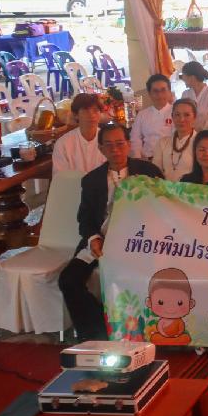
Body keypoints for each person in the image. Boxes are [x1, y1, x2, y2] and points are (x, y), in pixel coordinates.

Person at [59, 122, 163, 341]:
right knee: (68, 279)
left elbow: (165, 208)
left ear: (129, 144)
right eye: (109, 145)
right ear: (101, 149)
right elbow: (85, 218)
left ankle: (144, 330)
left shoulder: (149, 172)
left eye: (120, 144)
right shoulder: (91, 180)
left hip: (139, 243)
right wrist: (94, 238)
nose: (115, 150)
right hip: (103, 241)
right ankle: (96, 333)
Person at [53, 93, 107, 174]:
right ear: (76, 115)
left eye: (95, 110)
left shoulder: (107, 140)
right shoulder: (63, 144)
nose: (91, 115)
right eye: (86, 111)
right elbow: (59, 177)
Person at [152, 98, 198, 181]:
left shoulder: (200, 144)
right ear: (172, 117)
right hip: (165, 188)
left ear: (195, 117)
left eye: (187, 115)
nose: (181, 119)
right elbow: (156, 171)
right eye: (177, 115)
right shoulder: (163, 142)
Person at [130, 74, 173, 159]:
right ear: (149, 94)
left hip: (171, 158)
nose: (159, 95)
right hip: (148, 158)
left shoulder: (177, 112)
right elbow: (135, 139)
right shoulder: (142, 114)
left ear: (169, 92)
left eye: (163, 90)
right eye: (155, 91)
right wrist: (138, 159)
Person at [179, 61, 208, 127]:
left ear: (192, 78)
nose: (182, 78)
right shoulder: (185, 94)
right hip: (188, 131)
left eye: (184, 75)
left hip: (206, 131)